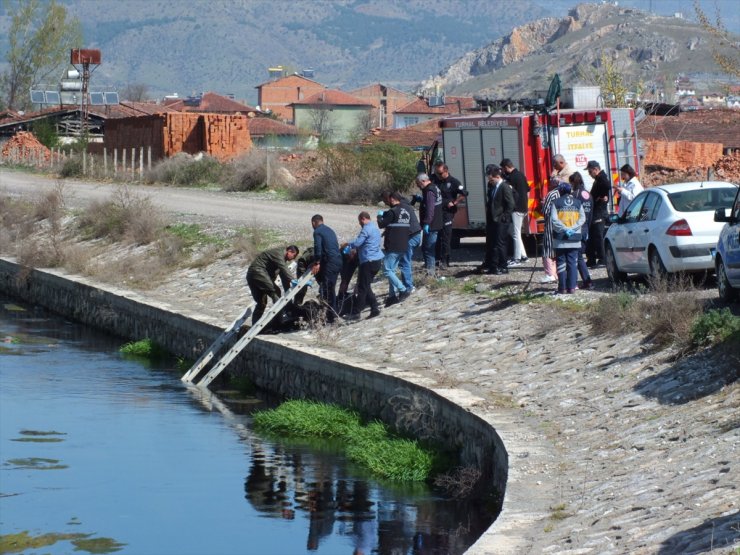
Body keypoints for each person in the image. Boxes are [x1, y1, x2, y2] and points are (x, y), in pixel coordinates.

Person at [342, 212, 383, 320]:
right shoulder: (375, 228)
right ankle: (375, 308)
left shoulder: (366, 229)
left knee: (362, 287)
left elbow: (358, 243)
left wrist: (348, 245)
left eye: (359, 221)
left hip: (368, 261)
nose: (359, 223)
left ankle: (356, 312)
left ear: (363, 219)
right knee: (366, 285)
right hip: (377, 260)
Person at [246, 245, 299, 325]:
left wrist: (288, 291)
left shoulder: (281, 259)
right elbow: (284, 268)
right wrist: (293, 279)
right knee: (275, 292)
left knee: (261, 303)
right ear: (289, 251)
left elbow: (284, 277)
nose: (293, 258)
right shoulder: (278, 253)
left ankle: (255, 325)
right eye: (294, 255)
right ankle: (279, 320)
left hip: (252, 275)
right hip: (258, 272)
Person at [550, 182, 585, 294]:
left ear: (559, 191)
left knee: (561, 263)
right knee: (572, 263)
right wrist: (573, 228)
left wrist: (565, 229)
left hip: (560, 238)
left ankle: (563, 288)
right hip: (574, 238)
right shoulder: (578, 202)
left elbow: (554, 220)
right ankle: (572, 287)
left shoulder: (555, 202)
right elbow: (582, 219)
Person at [431, 161, 467, 269]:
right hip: (436, 212)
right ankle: (436, 259)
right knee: (437, 237)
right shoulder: (434, 179)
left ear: (446, 171)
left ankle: (445, 260)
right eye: (437, 173)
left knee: (446, 237)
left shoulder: (453, 182)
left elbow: (464, 194)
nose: (438, 175)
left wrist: (455, 202)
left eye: (440, 173)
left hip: (447, 212)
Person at [377, 192, 411, 306]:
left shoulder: (392, 212)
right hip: (404, 245)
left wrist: (379, 216)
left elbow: (381, 224)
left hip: (394, 246)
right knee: (391, 271)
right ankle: (392, 296)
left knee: (386, 270)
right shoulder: (406, 211)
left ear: (392, 199)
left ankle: (402, 290)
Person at [310, 214, 342, 323]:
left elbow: (318, 248)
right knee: (330, 288)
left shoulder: (317, 232)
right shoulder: (330, 230)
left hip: (330, 262)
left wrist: (317, 262)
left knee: (327, 289)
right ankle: (332, 314)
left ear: (314, 223)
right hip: (338, 261)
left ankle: (331, 316)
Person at [486, 164, 516, 275]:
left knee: (501, 243)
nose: (490, 181)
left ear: (497, 177)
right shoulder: (494, 187)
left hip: (501, 220)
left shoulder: (504, 186)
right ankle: (494, 265)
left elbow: (511, 203)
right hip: (494, 219)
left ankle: (503, 265)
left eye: (491, 179)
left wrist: (505, 216)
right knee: (494, 243)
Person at [501, 158, 530, 266]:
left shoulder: (512, 178)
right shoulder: (521, 175)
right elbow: (528, 189)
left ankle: (516, 258)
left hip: (516, 209)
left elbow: (508, 193)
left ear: (506, 167)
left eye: (503, 170)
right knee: (514, 232)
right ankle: (523, 255)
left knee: (516, 234)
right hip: (523, 207)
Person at [569, 172, 594, 290]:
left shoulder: (575, 195)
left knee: (576, 256)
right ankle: (586, 281)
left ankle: (585, 282)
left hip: (577, 228)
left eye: (571, 183)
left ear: (573, 182)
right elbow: (591, 213)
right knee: (579, 255)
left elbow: (572, 213)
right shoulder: (589, 194)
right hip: (586, 228)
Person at [416, 173, 443, 276]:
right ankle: (430, 270)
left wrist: (427, 223)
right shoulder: (434, 187)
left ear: (423, 181)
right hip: (435, 223)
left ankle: (430, 273)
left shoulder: (430, 191)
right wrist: (422, 200)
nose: (418, 186)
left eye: (418, 184)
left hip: (432, 225)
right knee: (427, 248)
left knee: (428, 249)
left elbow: (430, 209)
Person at [585, 160, 611, 267]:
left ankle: (602, 258)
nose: (589, 174)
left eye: (590, 172)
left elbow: (607, 186)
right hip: (596, 211)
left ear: (596, 169)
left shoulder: (601, 178)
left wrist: (602, 197)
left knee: (598, 235)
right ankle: (593, 258)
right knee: (593, 235)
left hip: (599, 212)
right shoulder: (598, 178)